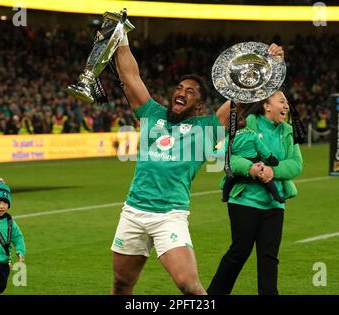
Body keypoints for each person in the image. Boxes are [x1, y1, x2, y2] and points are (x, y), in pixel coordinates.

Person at [110, 31, 284, 295]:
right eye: (179, 88)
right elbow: (130, 76)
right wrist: (120, 36)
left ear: (199, 105)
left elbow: (242, 99)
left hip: (169, 215)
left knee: (189, 286)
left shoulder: (207, 128)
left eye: (190, 92)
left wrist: (268, 63)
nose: (182, 93)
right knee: (122, 285)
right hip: (133, 211)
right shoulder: (151, 113)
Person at [207, 90, 303, 295]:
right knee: (239, 253)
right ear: (266, 106)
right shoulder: (247, 123)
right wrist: (250, 169)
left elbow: (296, 164)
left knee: (269, 258)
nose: (286, 106)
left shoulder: (287, 130)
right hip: (244, 199)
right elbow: (229, 157)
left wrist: (272, 171)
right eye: (282, 101)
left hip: (274, 203)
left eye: (286, 102)